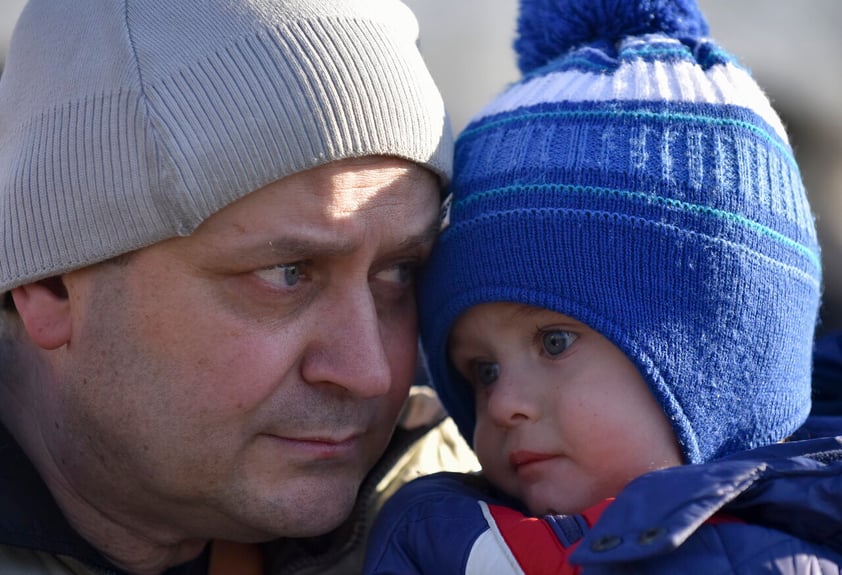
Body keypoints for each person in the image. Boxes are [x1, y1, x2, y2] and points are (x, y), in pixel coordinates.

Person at [0, 1, 479, 574]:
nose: (368, 371)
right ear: (52, 285)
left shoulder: (494, 523)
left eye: (398, 272)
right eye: (288, 274)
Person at [363, 0, 842, 573]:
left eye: (555, 341)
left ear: (723, 359)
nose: (505, 406)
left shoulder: (784, 555)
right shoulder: (441, 535)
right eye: (482, 372)